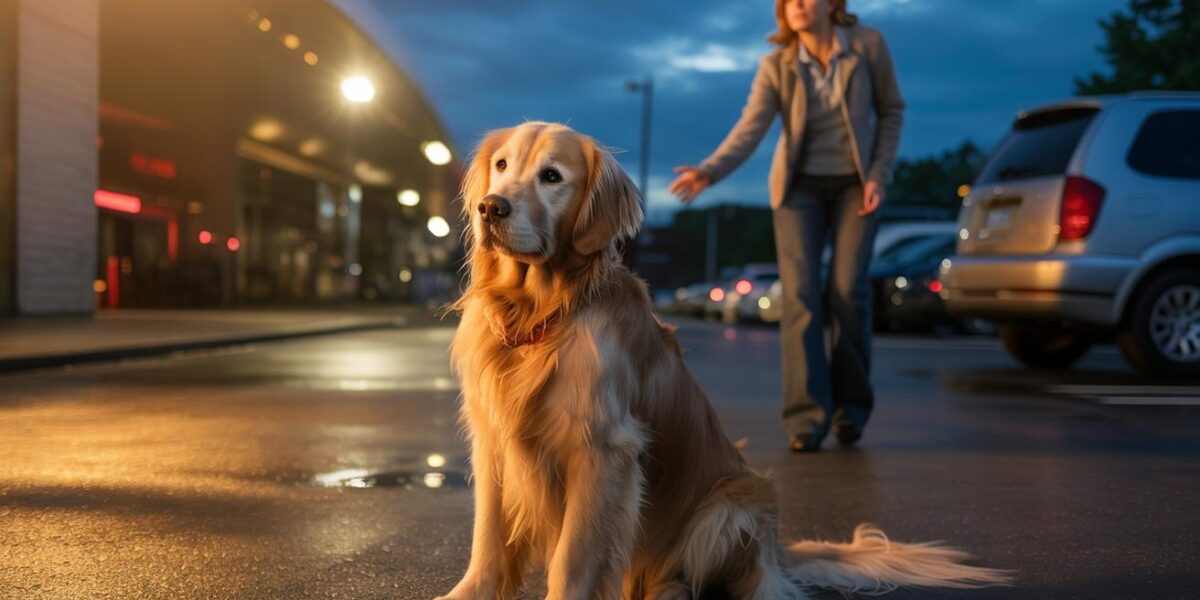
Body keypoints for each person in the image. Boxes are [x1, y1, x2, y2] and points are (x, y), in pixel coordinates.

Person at [669, 0, 904, 452]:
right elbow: (750, 127)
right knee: (799, 297)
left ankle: (851, 411)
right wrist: (709, 170)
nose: (795, 4)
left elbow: (892, 111)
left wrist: (879, 173)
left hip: (858, 184)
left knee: (848, 292)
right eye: (787, 0)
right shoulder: (777, 63)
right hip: (800, 189)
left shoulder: (868, 46)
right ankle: (806, 418)